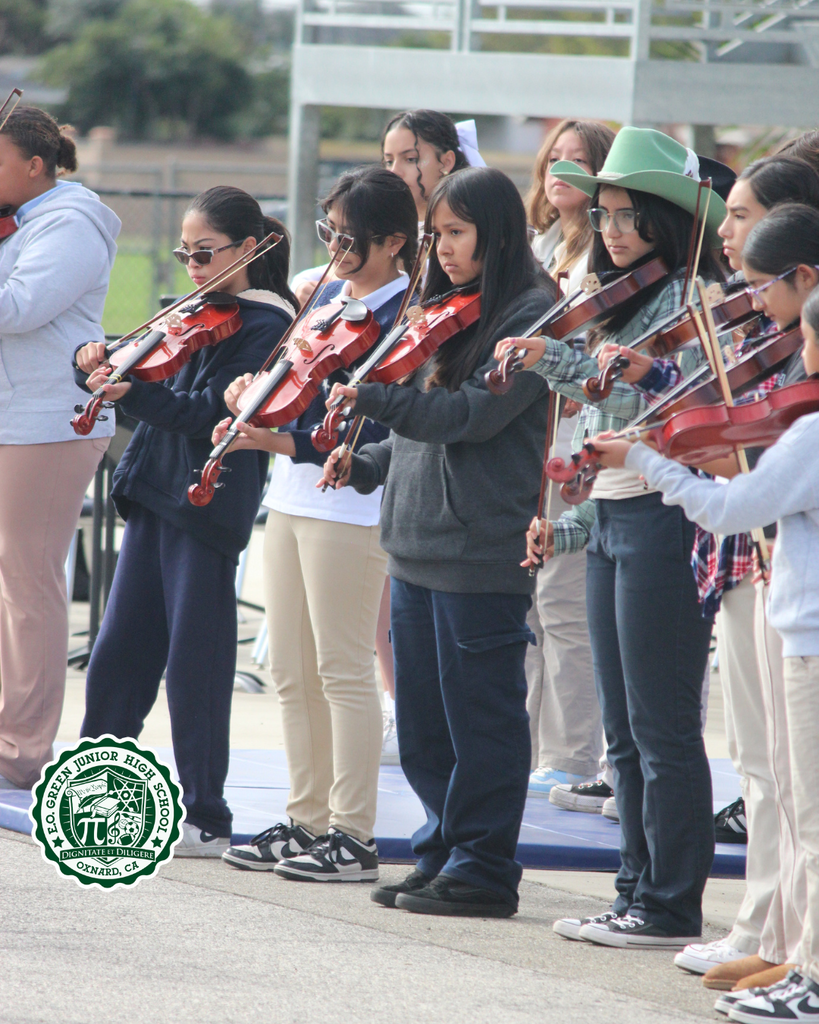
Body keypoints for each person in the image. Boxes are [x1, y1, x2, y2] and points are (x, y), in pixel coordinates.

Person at [495, 127, 726, 948]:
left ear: (668, 220)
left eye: (630, 215)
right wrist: (564, 531)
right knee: (623, 734)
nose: (614, 230)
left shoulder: (696, 300)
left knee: (660, 729)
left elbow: (649, 419)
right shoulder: (624, 300)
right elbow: (609, 449)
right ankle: (634, 891)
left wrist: (553, 361)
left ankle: (668, 906)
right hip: (620, 519)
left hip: (666, 525)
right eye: (605, 216)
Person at [600, 157, 819, 980]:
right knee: (763, 764)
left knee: (786, 773)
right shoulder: (763, 330)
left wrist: (678, 458)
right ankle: (769, 926)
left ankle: (781, 936)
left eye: (738, 216)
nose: (724, 234)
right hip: (745, 559)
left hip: (771, 562)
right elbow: (721, 410)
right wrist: (657, 382)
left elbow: (754, 446)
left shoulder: (796, 341)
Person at [321, 166, 557, 917]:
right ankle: (441, 852)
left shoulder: (531, 316)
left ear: (495, 231)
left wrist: (373, 397)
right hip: (416, 542)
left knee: (481, 718)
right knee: (424, 723)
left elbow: (466, 419)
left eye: (456, 233)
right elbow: (419, 435)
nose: (443, 248)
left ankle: (484, 869)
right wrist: (364, 462)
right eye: (436, 235)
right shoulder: (446, 308)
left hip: (478, 548)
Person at [75, 186, 296, 856]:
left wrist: (133, 391)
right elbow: (144, 361)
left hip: (205, 502)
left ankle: (205, 813)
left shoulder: (267, 324)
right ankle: (91, 790)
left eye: (206, 254)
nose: (193, 268)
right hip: (155, 495)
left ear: (249, 249)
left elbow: (207, 415)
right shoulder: (194, 311)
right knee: (119, 656)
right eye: (185, 254)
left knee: (194, 664)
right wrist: (94, 357)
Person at [217, 166, 418, 881]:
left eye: (349, 236)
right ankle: (306, 817)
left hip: (350, 506)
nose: (333, 248)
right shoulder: (328, 296)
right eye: (328, 231)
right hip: (294, 497)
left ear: (395, 241)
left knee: (341, 668)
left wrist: (274, 438)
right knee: (291, 671)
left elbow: (365, 434)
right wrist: (253, 392)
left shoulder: (406, 315)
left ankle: (353, 833)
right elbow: (296, 387)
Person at [0, 105, 120, 792]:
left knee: (30, 587)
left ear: (36, 167)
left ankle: (20, 750)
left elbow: (18, 307)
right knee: (13, 585)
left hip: (49, 421)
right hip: (18, 418)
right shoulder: (27, 220)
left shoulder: (71, 222)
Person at [521, 119, 615, 802]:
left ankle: (571, 753)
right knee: (528, 603)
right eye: (553, 157)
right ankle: (527, 747)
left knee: (563, 603)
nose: (559, 170)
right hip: (526, 439)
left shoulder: (603, 260)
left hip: (576, 444)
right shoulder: (535, 245)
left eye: (577, 161)